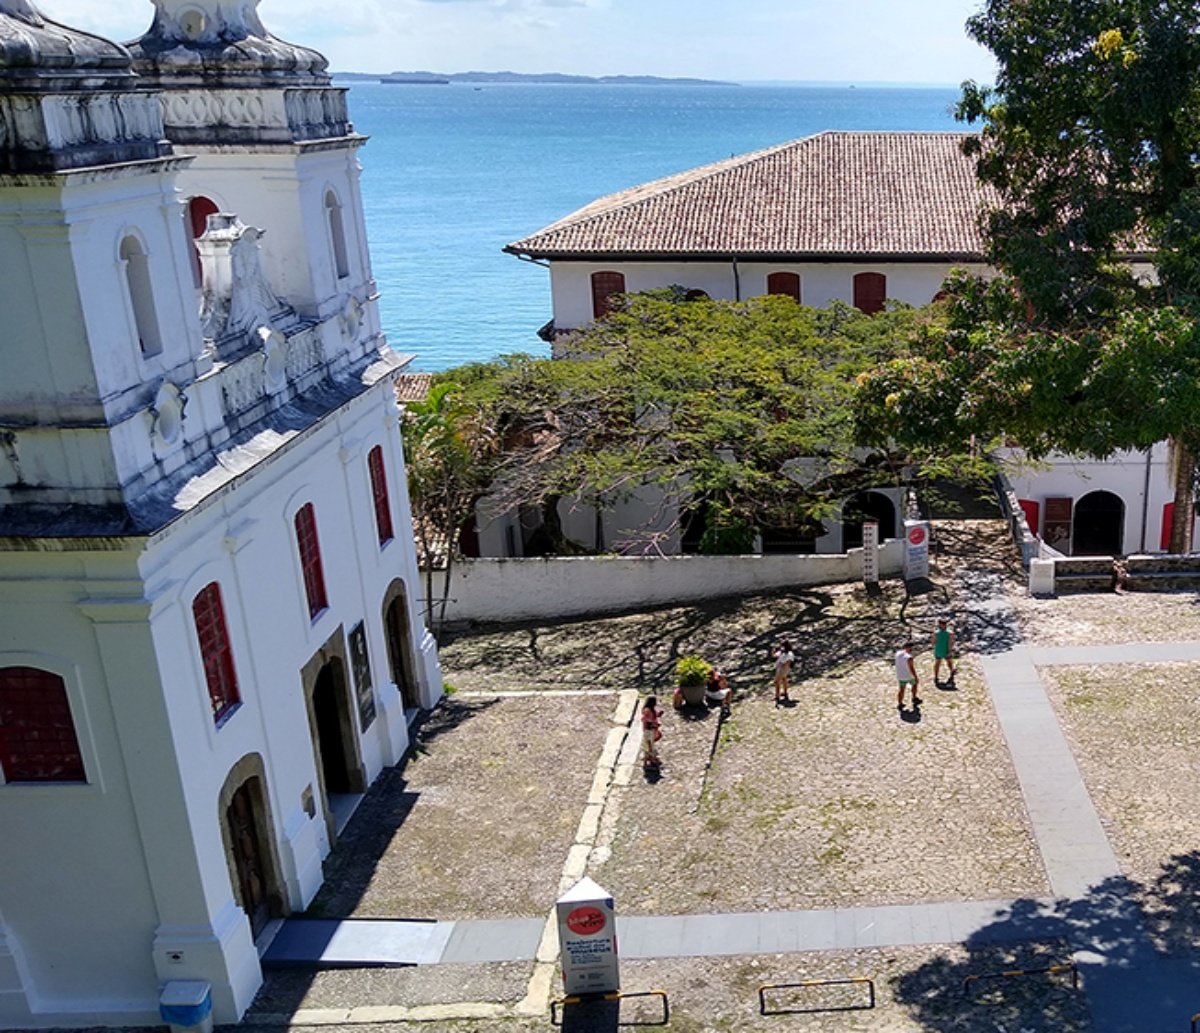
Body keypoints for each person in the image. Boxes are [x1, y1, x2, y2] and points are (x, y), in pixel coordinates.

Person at [895, 640, 920, 710]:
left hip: (900, 675)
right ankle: (914, 697)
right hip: (908, 675)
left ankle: (900, 703)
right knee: (914, 685)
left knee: (901, 689)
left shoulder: (898, 653)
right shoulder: (909, 657)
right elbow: (911, 668)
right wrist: (916, 677)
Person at [932, 618, 956, 684]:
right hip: (943, 651)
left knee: (939, 664)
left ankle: (937, 677)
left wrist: (950, 650)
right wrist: (950, 650)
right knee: (947, 663)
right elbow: (951, 642)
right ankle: (950, 673)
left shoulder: (936, 633)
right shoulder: (950, 633)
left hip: (940, 650)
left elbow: (933, 642)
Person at [641, 695, 662, 767]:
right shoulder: (647, 710)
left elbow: (655, 714)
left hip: (652, 730)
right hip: (648, 730)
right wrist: (653, 723)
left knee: (651, 743)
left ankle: (651, 758)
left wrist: (659, 714)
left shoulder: (652, 709)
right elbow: (645, 719)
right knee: (649, 745)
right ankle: (650, 759)